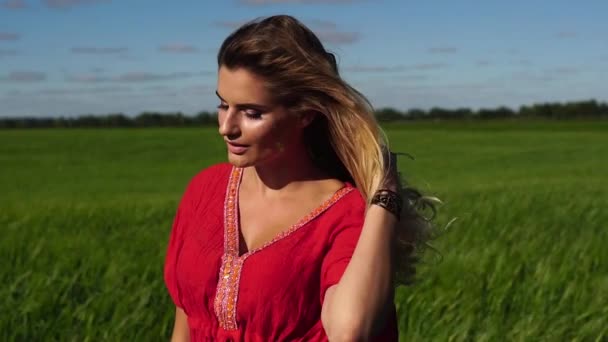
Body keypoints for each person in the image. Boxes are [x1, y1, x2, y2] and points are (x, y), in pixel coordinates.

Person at [164, 15, 434, 341]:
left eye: (252, 113)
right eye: (223, 105)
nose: (226, 127)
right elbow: (187, 314)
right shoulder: (205, 189)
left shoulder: (345, 211)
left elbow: (350, 330)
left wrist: (385, 195)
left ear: (305, 113)